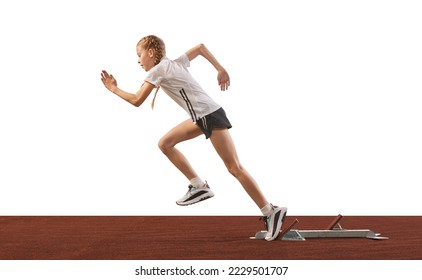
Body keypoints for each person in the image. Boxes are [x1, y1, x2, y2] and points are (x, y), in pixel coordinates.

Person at [100, 35, 287, 241]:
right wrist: (220, 69)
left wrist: (113, 88)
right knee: (165, 143)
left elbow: (137, 100)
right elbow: (200, 47)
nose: (138, 60)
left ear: (151, 53)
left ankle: (270, 211)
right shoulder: (172, 63)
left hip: (208, 115)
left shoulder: (158, 70)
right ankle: (199, 185)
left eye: (139, 55)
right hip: (201, 117)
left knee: (234, 168)